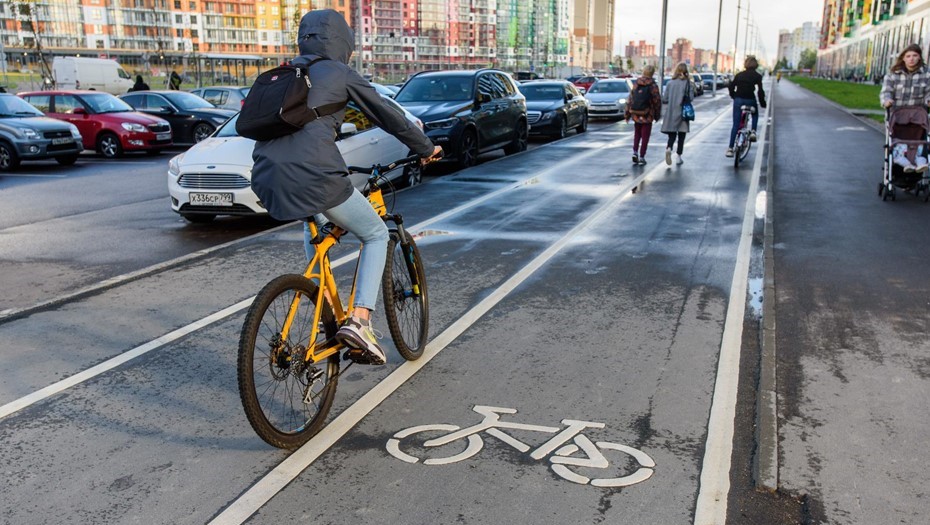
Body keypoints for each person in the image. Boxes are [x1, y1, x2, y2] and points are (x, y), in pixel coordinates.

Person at [250, 9, 442, 365]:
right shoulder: (339, 72)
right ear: (342, 42)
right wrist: (426, 149)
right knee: (375, 234)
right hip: (315, 173)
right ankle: (360, 321)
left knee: (320, 228)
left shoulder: (280, 73)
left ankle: (321, 302)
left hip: (265, 176)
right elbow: (389, 115)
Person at [880, 43, 930, 172]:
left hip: (918, 115)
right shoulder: (892, 75)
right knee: (897, 141)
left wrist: (928, 100)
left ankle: (921, 161)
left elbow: (928, 92)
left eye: (915, 55)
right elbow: (886, 91)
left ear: (919, 57)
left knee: (921, 141)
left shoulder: (927, 74)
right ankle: (902, 162)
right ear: (903, 58)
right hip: (897, 115)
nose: (911, 59)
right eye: (908, 56)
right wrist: (886, 100)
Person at [726, 55, 767, 157]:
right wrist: (762, 103)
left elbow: (731, 86)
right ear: (755, 65)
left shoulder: (739, 75)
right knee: (755, 114)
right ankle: (753, 131)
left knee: (735, 125)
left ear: (746, 64)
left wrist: (733, 96)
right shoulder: (757, 76)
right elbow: (760, 91)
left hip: (738, 99)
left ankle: (730, 149)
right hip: (750, 99)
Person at [625, 65, 662, 165]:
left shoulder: (637, 83)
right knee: (645, 136)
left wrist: (627, 114)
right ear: (652, 73)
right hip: (647, 114)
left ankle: (635, 152)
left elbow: (630, 99)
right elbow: (657, 101)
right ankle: (642, 156)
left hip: (636, 113)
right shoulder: (653, 85)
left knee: (637, 134)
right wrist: (657, 115)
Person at [661, 63, 692, 166]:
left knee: (672, 134)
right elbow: (691, 98)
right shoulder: (688, 83)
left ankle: (669, 148)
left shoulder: (670, 83)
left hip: (671, 112)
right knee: (681, 136)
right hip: (683, 112)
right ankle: (678, 156)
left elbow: (665, 99)